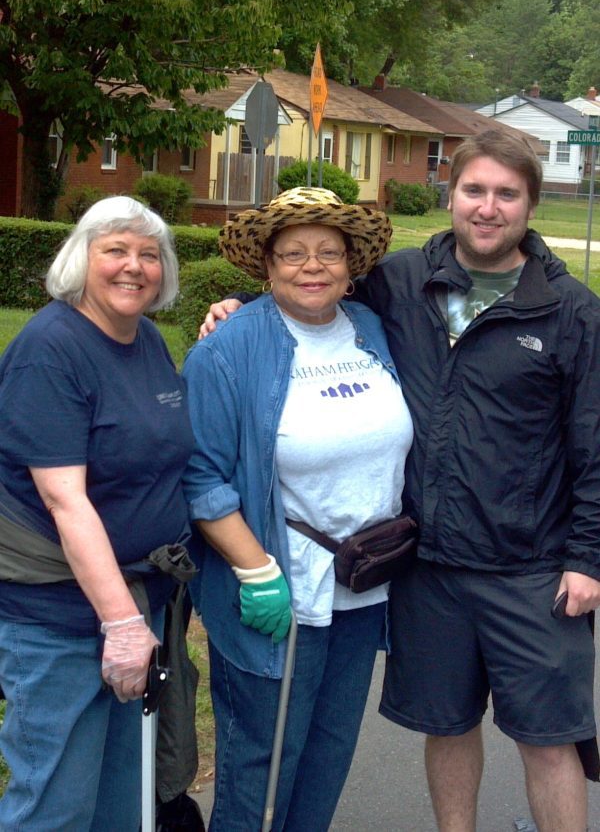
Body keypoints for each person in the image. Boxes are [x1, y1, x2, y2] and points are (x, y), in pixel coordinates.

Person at [201, 130, 600, 832]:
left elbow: (593, 441)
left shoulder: (570, 312)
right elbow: (304, 285)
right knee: (440, 726)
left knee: (547, 738)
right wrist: (238, 304)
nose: (487, 207)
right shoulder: (403, 281)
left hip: (528, 568)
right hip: (427, 569)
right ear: (451, 196)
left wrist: (587, 557)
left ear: (530, 204)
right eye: (474, 190)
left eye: (506, 194)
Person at [182, 186, 414, 831]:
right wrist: (256, 574)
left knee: (329, 753)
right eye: (293, 254)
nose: (312, 266)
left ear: (350, 265)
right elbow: (199, 474)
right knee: (263, 763)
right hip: (281, 592)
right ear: (266, 264)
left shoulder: (370, 328)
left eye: (328, 253)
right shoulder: (229, 348)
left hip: (362, 589)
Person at [0, 196, 195, 831]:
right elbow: (64, 498)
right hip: (61, 619)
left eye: (148, 254)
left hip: (139, 603)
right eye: (115, 250)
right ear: (81, 259)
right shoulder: (49, 350)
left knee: (125, 797)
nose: (133, 266)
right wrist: (121, 624)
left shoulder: (146, 341)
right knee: (57, 803)